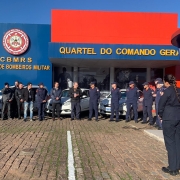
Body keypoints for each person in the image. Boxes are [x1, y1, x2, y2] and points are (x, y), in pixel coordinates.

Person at [158, 74, 180, 176]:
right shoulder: (178, 90)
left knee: (170, 144)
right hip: (178, 118)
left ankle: (172, 168)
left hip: (169, 119)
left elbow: (160, 106)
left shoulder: (167, 91)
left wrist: (161, 116)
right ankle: (177, 165)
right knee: (177, 142)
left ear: (166, 82)